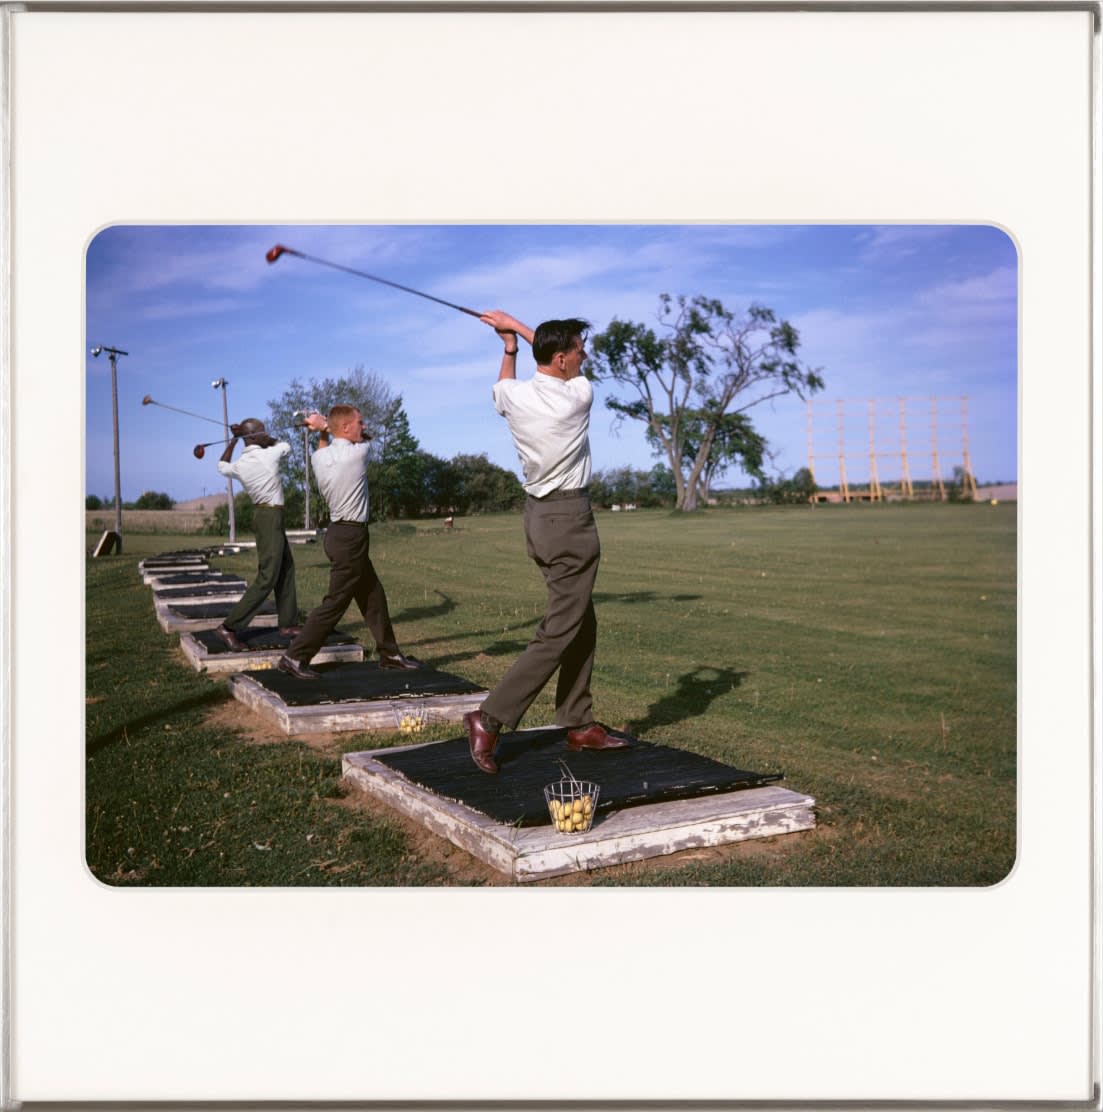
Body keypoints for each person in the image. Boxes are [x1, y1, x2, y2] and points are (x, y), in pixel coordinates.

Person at [462, 311, 630, 774]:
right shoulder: (578, 395)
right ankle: (488, 718)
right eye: (578, 349)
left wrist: (509, 345)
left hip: (538, 517)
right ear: (561, 359)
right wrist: (514, 324)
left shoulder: (514, 396)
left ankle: (578, 721)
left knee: (581, 620)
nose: (584, 355)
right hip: (570, 520)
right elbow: (545, 353)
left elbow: (504, 384)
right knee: (559, 630)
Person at [277, 405, 420, 679]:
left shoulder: (319, 458)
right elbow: (362, 438)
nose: (363, 427)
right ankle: (294, 656)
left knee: (372, 596)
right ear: (345, 427)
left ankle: (389, 653)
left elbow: (325, 445)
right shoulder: (358, 453)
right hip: (351, 537)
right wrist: (323, 426)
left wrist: (322, 430)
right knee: (335, 602)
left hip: (337, 534)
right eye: (359, 422)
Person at [212, 418, 301, 652]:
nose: (267, 433)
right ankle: (229, 627)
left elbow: (222, 466)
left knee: (286, 567)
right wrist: (266, 438)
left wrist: (234, 440)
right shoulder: (268, 454)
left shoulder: (241, 463)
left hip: (266, 516)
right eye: (262, 431)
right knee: (268, 576)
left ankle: (288, 624)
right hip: (270, 517)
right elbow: (285, 446)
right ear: (253, 437)